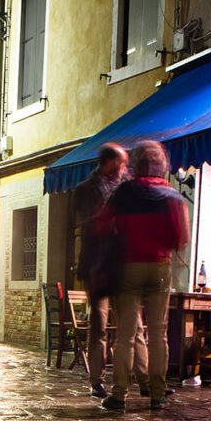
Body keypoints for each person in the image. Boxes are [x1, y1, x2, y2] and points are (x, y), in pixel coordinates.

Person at [100, 140, 189, 410]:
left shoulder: (123, 193)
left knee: (127, 334)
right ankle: (158, 393)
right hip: (160, 267)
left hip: (128, 267)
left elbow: (104, 227)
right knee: (159, 333)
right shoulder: (173, 197)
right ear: (163, 164)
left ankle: (119, 394)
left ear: (135, 164)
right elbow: (181, 238)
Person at [73, 143, 147, 398]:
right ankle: (97, 380)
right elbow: (89, 224)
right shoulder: (86, 190)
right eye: (122, 163)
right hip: (98, 266)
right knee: (100, 324)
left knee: (135, 324)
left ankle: (145, 379)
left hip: (124, 265)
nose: (125, 168)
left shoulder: (127, 189)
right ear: (109, 163)